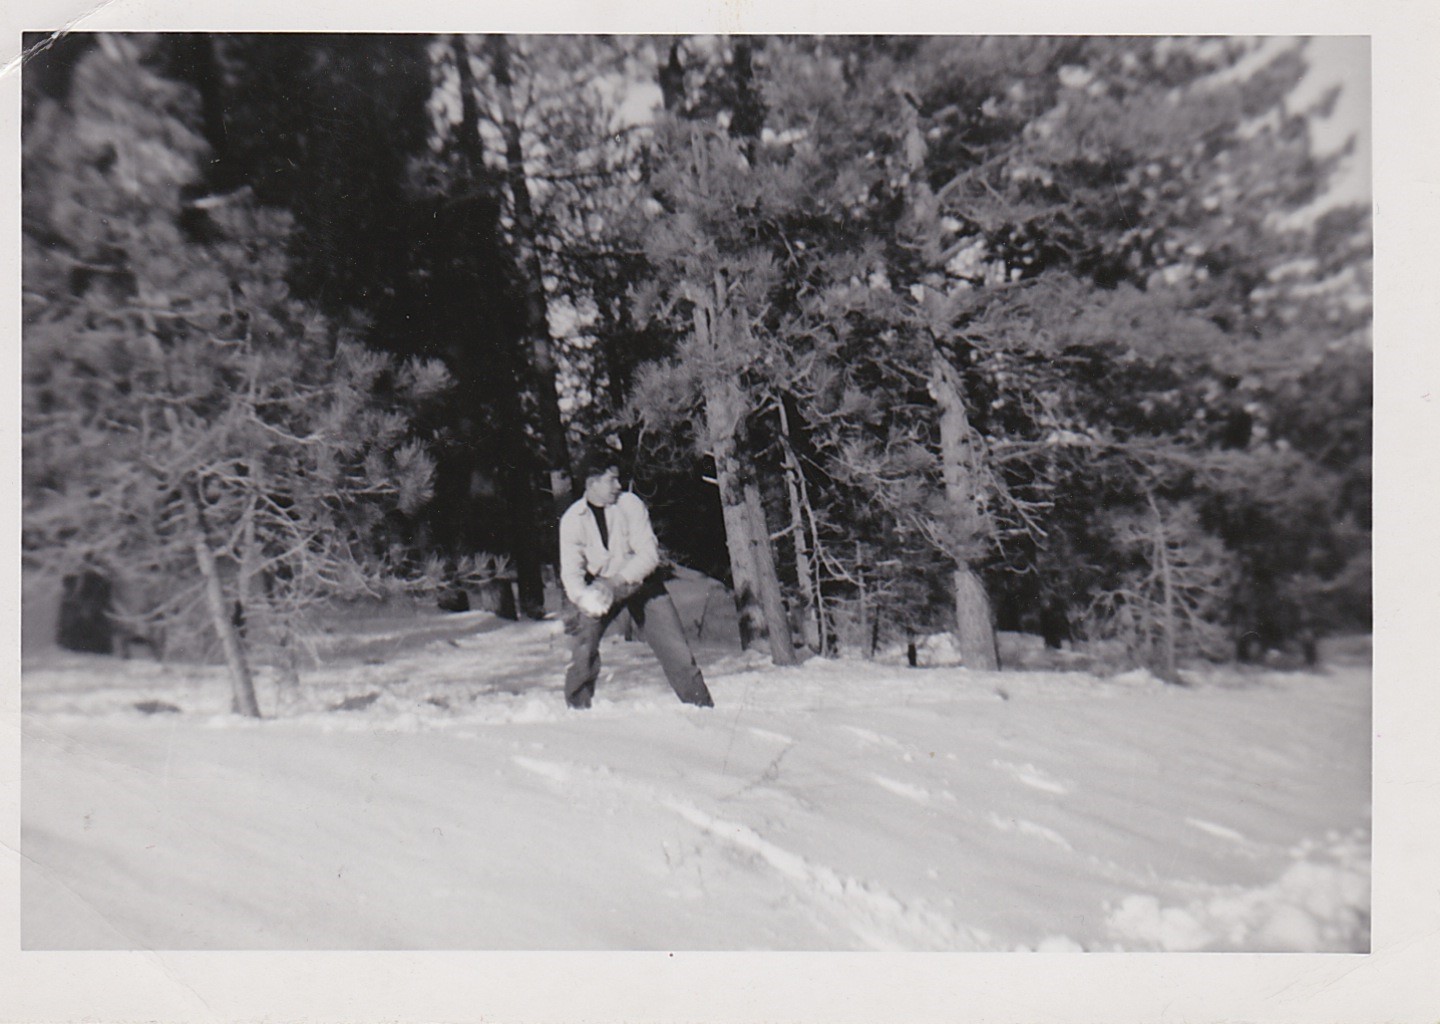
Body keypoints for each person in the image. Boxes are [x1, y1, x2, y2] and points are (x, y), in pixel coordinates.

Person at [557, 447, 714, 710]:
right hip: (600, 589)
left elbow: (649, 555)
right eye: (611, 480)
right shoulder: (573, 519)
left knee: (677, 651)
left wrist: (615, 582)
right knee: (583, 648)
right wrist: (583, 599)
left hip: (642, 585)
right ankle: (578, 711)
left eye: (618, 479)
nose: (618, 486)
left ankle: (702, 709)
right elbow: (571, 572)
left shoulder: (630, 504)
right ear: (592, 482)